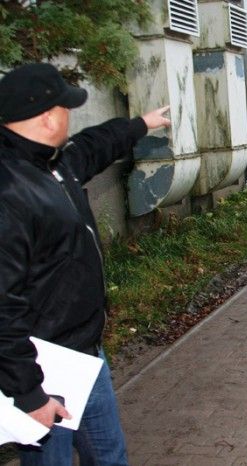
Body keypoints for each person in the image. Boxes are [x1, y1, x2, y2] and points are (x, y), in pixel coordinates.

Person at [0, 62, 171, 465]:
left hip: (85, 356)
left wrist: (140, 125)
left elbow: (92, 146)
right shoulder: (10, 191)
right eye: (66, 108)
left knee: (110, 457)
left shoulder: (51, 165)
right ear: (47, 117)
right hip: (44, 369)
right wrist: (30, 394)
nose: (70, 116)